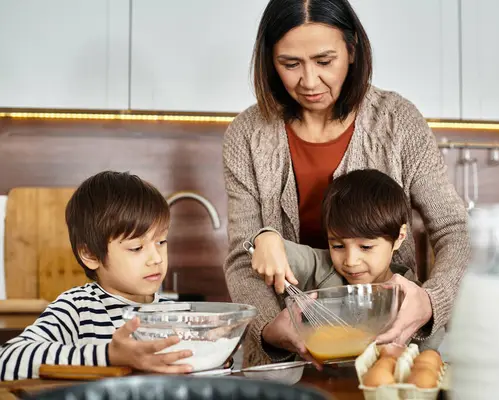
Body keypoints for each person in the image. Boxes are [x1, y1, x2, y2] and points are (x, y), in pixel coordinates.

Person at [223, 0, 470, 367]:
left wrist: (433, 300)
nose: (308, 81)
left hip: (390, 351)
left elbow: (454, 229)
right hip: (283, 365)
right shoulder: (246, 135)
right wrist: (270, 328)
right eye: (290, 64)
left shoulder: (397, 122)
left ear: (352, 50)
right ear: (269, 59)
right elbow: (244, 259)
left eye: (324, 61)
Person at [0, 171, 193, 380]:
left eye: (161, 242)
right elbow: (7, 360)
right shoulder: (77, 308)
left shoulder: (176, 313)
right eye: (136, 248)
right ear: (90, 255)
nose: (156, 258)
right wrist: (108, 356)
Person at [247, 169, 445, 354]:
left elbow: (430, 346)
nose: (350, 261)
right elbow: (276, 251)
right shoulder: (319, 266)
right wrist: (266, 238)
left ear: (399, 237)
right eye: (338, 246)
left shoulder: (409, 293)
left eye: (366, 247)